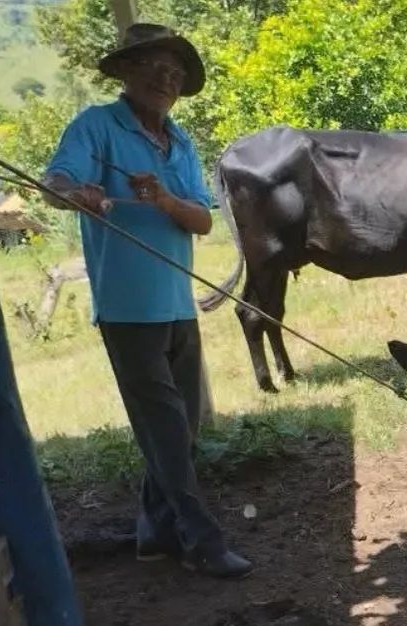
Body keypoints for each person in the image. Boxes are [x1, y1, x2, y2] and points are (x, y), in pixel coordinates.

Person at [43, 23, 252, 579]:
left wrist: (162, 198)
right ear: (126, 72)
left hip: (177, 303)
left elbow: (204, 220)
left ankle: (153, 534)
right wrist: (79, 195)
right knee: (165, 430)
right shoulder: (96, 127)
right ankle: (201, 541)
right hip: (128, 310)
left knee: (180, 430)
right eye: (155, 69)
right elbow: (55, 183)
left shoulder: (180, 142)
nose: (166, 80)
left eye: (176, 74)